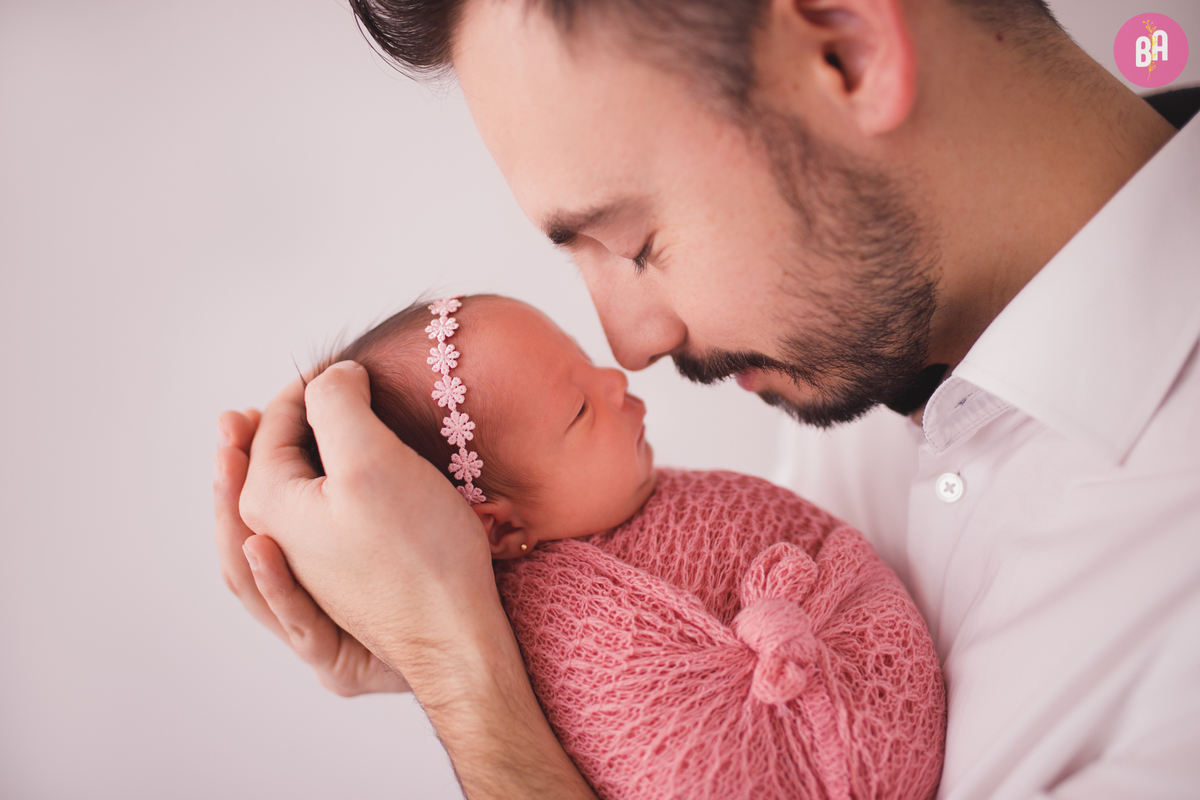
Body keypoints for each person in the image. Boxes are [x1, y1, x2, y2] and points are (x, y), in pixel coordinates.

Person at [212, 0, 1200, 797]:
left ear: (847, 49)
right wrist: (497, 646)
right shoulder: (859, 400)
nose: (632, 345)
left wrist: (461, 671)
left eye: (639, 245)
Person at [290, 292, 946, 799]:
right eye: (578, 412)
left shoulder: (704, 492)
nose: (615, 380)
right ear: (497, 527)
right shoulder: (555, 641)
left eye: (586, 360)